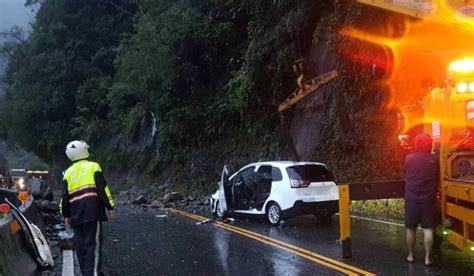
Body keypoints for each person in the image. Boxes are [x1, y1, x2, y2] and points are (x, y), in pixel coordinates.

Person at [61, 140, 116, 276]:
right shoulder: (93, 166)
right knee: (93, 246)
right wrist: (110, 206)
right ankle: (94, 273)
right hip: (92, 213)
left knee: (81, 246)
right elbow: (102, 189)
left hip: (75, 215)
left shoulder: (67, 173)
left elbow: (64, 198)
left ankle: (87, 273)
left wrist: (66, 215)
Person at [404, 133, 439, 266]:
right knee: (428, 229)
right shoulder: (435, 159)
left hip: (412, 198)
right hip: (428, 199)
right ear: (430, 144)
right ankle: (427, 258)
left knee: (410, 229)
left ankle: (411, 255)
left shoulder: (409, 158)